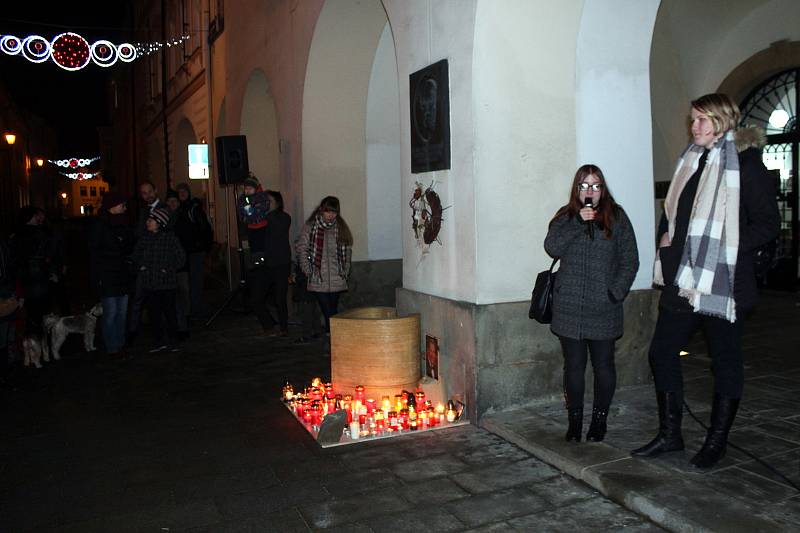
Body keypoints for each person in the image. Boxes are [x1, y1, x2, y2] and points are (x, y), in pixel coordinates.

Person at [631, 94, 780, 469]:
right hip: (683, 279)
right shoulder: (690, 162)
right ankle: (670, 435)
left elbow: (767, 225)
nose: (693, 126)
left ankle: (717, 441)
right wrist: (665, 241)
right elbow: (673, 215)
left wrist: (726, 246)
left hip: (722, 282)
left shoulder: (746, 168)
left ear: (723, 121)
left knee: (725, 362)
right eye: (692, 119)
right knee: (661, 352)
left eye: (701, 120)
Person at [544, 165, 639, 442]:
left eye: (596, 186)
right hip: (569, 307)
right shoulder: (565, 217)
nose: (590, 192)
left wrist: (615, 292)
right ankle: (574, 422)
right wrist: (577, 222)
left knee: (604, 366)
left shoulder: (617, 217)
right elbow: (552, 247)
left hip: (604, 307)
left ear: (603, 189)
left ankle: (599, 421)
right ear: (577, 190)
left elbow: (630, 260)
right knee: (573, 367)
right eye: (585, 186)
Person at [296, 196, 353, 335]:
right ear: (321, 210)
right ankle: (333, 335)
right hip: (318, 276)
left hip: (336, 276)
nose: (330, 215)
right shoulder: (310, 227)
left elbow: (347, 250)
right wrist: (308, 270)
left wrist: (345, 270)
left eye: (334, 212)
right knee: (327, 309)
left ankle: (331, 335)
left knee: (332, 308)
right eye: (328, 211)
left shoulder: (340, 227)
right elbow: (302, 249)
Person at [131, 208, 186, 353]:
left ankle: (174, 341)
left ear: (159, 223)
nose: (147, 222)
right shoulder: (145, 238)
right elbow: (135, 256)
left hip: (167, 284)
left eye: (151, 220)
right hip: (150, 284)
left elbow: (181, 258)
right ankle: (158, 341)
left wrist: (168, 268)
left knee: (170, 313)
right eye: (148, 219)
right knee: (154, 315)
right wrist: (141, 266)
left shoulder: (170, 238)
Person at [88, 192, 135, 357]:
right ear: (113, 205)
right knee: (111, 312)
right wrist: (97, 276)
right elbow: (94, 252)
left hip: (122, 274)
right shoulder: (100, 224)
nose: (125, 207)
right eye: (122, 204)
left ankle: (120, 344)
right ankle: (112, 346)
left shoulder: (124, 223)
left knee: (122, 312)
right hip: (107, 274)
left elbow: (130, 246)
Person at [10, 206, 55, 338]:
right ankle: (40, 339)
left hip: (27, 278)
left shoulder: (16, 235)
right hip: (37, 277)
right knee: (40, 311)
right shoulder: (38, 233)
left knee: (31, 311)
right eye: (35, 216)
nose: (38, 218)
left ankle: (32, 338)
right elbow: (46, 252)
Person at [129, 181, 163, 342]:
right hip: (144, 262)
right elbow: (138, 233)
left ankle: (164, 330)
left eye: (149, 192)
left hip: (159, 261)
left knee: (162, 298)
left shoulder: (163, 208)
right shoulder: (143, 211)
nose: (147, 195)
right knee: (138, 298)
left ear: (154, 191)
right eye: (143, 193)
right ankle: (133, 331)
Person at [254, 190, 291, 336]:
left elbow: (275, 227)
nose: (265, 203)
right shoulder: (263, 218)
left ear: (277, 202)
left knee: (279, 298)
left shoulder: (284, 217)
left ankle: (283, 328)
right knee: (257, 298)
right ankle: (269, 325)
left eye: (268, 201)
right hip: (265, 264)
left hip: (281, 263)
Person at [176, 182, 212, 319]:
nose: (182, 194)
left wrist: (203, 246)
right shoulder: (179, 209)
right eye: (180, 192)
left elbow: (204, 228)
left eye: (184, 191)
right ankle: (190, 308)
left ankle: (196, 309)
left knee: (195, 281)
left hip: (195, 251)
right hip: (184, 252)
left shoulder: (193, 208)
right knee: (186, 283)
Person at [165, 190, 190, 337]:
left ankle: (185, 319)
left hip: (181, 261)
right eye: (170, 201)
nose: (172, 203)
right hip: (168, 263)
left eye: (175, 200)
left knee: (183, 291)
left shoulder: (183, 217)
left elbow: (187, 237)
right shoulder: (163, 218)